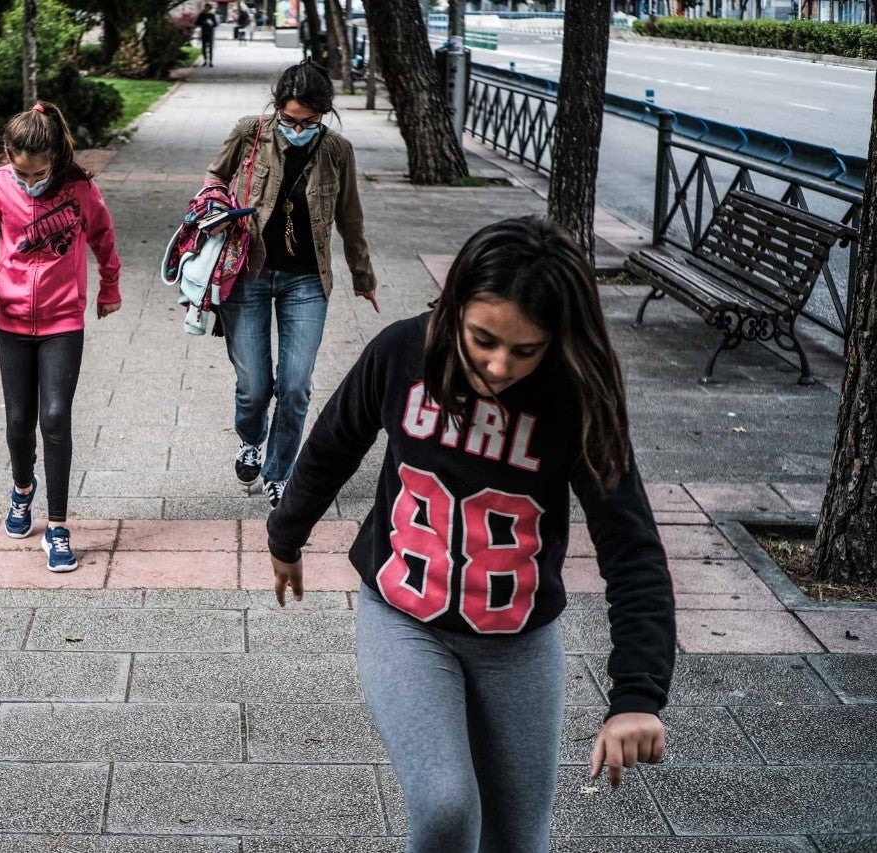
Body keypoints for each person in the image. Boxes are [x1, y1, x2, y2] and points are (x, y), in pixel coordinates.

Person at [266, 217, 676, 853]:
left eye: (525, 350)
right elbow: (331, 444)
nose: (497, 364)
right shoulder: (401, 353)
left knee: (518, 840)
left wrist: (636, 695)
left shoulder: (576, 398)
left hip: (517, 641)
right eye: (482, 338)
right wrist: (285, 537)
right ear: (453, 304)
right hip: (404, 619)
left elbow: (632, 549)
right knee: (447, 807)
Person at [204, 61, 378, 508]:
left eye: (309, 122)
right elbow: (214, 176)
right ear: (277, 106)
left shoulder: (337, 151)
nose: (298, 128)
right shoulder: (249, 133)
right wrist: (216, 206)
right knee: (255, 385)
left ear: (324, 114)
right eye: (290, 119)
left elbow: (350, 218)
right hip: (248, 274)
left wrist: (363, 276)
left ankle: (279, 471)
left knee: (296, 384)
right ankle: (250, 437)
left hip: (306, 281)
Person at [0, 102, 121, 572]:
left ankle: (57, 528)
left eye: (40, 174)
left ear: (56, 156)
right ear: (8, 156)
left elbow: (104, 237)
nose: (31, 183)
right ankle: (22, 489)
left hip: (63, 320)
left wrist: (109, 287)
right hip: (11, 318)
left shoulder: (78, 188)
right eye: (22, 173)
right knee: (18, 421)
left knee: (54, 417)